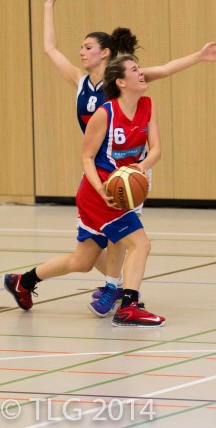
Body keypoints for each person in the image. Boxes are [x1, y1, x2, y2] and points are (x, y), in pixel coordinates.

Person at [42, 0, 216, 316]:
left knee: (122, 237)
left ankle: (115, 289)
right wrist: (48, 7)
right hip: (100, 167)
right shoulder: (80, 82)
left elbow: (167, 68)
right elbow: (49, 48)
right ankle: (115, 287)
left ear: (105, 53)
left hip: (130, 170)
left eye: (88, 47)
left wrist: (199, 56)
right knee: (95, 246)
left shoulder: (127, 80)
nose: (81, 53)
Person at [5, 55, 166, 327]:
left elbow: (156, 148)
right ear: (121, 82)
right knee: (140, 244)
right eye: (135, 70)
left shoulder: (148, 106)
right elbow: (87, 157)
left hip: (118, 188)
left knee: (82, 260)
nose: (142, 73)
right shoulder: (105, 113)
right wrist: (101, 189)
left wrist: (142, 166)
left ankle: (23, 281)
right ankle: (129, 307)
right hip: (101, 191)